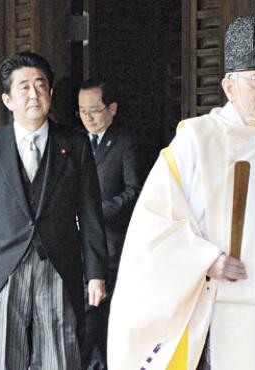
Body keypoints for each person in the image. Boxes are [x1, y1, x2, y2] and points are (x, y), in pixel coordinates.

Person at [107, 15, 255, 370]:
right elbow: (154, 224)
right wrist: (206, 260)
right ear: (228, 87)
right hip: (220, 307)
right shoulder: (196, 138)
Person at [0, 51, 108, 370]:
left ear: (51, 94)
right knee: (2, 359)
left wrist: (95, 273)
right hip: (2, 269)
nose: (33, 94)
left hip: (58, 265)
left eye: (40, 85)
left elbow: (91, 213)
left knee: (60, 357)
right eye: (23, 87)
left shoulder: (75, 145)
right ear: (7, 99)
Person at [77, 80, 143, 369]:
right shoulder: (75, 142)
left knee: (100, 312)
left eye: (95, 110)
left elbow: (135, 191)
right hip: (76, 243)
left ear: (112, 109)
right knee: (80, 313)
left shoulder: (126, 142)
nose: (88, 117)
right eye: (82, 111)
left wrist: (95, 214)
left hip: (110, 241)